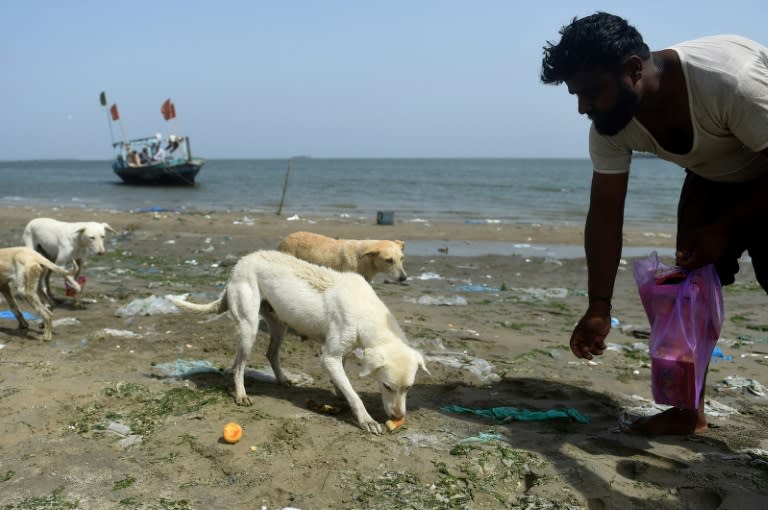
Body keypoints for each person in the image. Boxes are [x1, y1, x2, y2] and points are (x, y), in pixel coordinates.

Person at [540, 12, 768, 435]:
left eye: (591, 92)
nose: (582, 108)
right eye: (576, 95)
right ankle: (686, 411)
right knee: (686, 288)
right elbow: (606, 214)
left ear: (632, 70)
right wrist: (599, 305)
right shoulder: (609, 127)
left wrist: (724, 231)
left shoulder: (730, 81)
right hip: (715, 175)